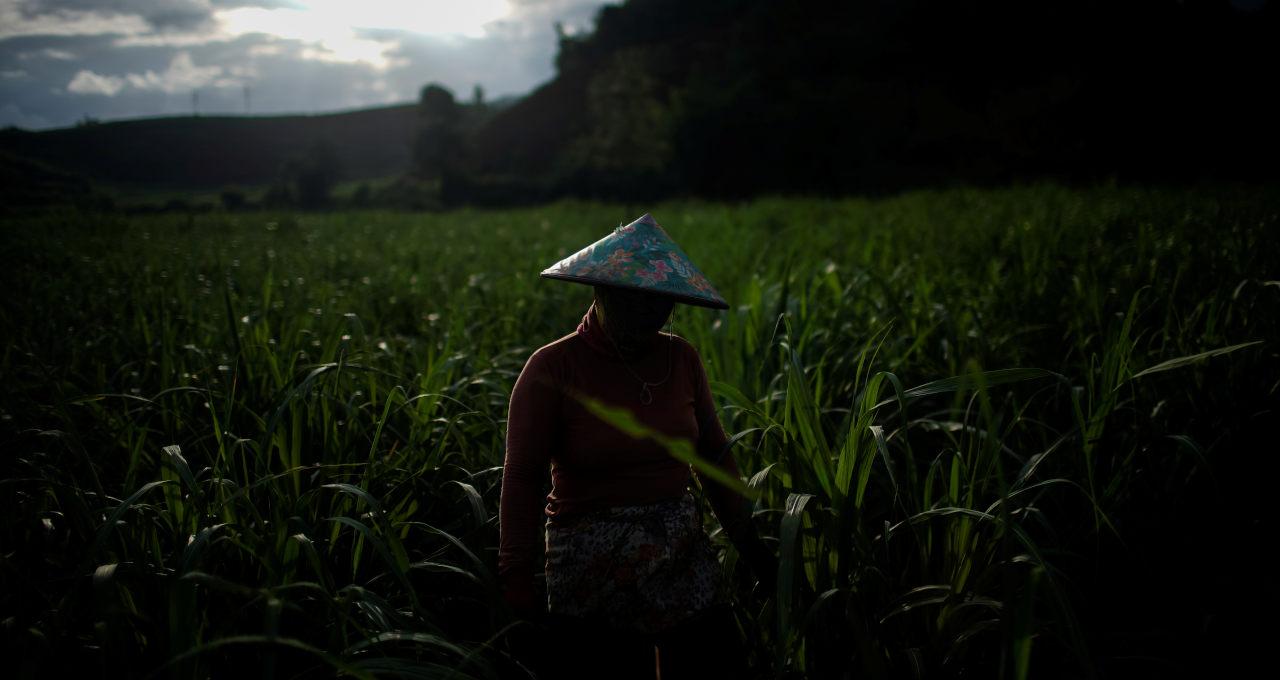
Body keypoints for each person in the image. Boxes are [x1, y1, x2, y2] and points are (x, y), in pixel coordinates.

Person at [499, 214, 775, 679]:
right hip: (590, 560)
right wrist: (517, 576)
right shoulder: (553, 367)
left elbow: (714, 458)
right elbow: (523, 476)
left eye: (660, 304)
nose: (648, 315)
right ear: (601, 292)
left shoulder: (680, 358)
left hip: (680, 551)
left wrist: (757, 553)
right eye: (633, 302)